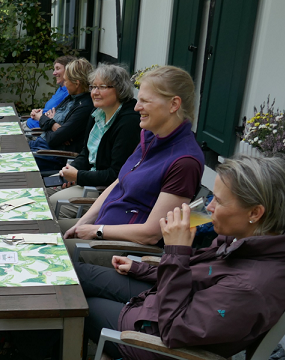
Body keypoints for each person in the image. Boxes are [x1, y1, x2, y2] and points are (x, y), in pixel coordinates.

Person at [78, 155, 285, 360]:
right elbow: (202, 275)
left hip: (157, 347)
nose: (209, 207)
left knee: (78, 306)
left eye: (219, 201)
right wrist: (143, 269)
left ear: (255, 213)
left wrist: (175, 252)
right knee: (80, 275)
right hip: (167, 303)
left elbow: (173, 330)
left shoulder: (250, 287)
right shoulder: (251, 241)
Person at [62, 65, 205, 247]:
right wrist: (84, 221)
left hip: (123, 249)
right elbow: (119, 181)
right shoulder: (150, 136)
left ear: (174, 104)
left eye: (145, 101)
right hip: (103, 227)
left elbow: (151, 234)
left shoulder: (184, 161)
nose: (137, 107)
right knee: (45, 228)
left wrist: (96, 231)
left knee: (49, 246)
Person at [48, 63, 141, 217]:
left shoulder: (129, 123)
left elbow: (117, 174)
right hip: (87, 178)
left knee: (51, 204)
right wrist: (72, 169)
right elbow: (86, 153)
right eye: (93, 87)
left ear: (120, 89)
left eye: (102, 87)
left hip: (105, 191)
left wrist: (78, 176)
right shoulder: (97, 113)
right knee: (42, 188)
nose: (95, 92)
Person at [28, 58, 94, 171]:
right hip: (40, 144)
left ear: (77, 83)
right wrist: (53, 125)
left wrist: (50, 123)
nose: (65, 85)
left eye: (66, 81)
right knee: (6, 147)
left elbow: (53, 139)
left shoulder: (84, 107)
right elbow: (49, 118)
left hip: (51, 155)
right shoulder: (71, 98)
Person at [24, 55, 75, 130]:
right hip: (30, 124)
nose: (54, 73)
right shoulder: (61, 89)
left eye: (58, 69)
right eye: (54, 69)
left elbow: (57, 121)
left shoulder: (69, 93)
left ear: (68, 71)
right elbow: (50, 111)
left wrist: (40, 117)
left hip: (34, 131)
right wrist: (38, 112)